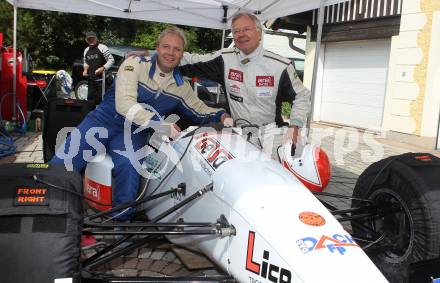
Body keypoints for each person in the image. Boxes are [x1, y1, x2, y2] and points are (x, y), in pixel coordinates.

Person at [51, 26, 232, 220]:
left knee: (130, 170)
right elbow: (125, 104)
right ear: (157, 48)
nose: (170, 53)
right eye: (166, 46)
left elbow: (200, 109)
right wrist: (160, 125)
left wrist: (222, 115)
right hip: (102, 121)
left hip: (133, 133)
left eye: (177, 49)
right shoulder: (134, 63)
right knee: (61, 164)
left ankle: (121, 227)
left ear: (182, 54)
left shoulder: (181, 86)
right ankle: (43, 211)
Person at [130, 12, 311, 158]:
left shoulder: (279, 65)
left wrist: (295, 126)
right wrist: (150, 53)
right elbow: (190, 60)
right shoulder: (225, 58)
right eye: (237, 31)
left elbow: (302, 96)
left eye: (246, 29)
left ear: (259, 32)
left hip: (271, 135)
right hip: (237, 133)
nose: (241, 35)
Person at [82, 31, 115, 105]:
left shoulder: (102, 47)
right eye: (89, 39)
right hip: (91, 80)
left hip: (102, 80)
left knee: (102, 102)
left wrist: (103, 68)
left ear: (96, 38)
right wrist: (85, 70)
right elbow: (86, 62)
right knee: (90, 101)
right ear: (87, 40)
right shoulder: (86, 50)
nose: (91, 40)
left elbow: (111, 60)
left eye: (92, 38)